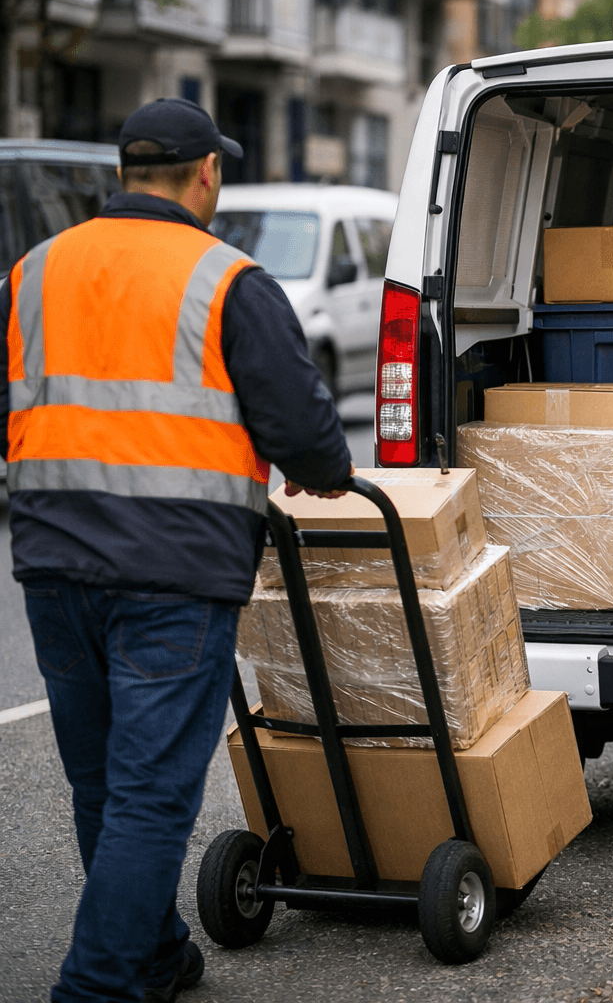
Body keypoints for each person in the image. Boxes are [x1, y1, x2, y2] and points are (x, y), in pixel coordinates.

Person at [1, 98, 352, 1001]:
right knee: (151, 794)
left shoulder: (31, 273)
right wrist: (325, 473)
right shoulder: (226, 278)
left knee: (102, 784)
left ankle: (152, 952)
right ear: (207, 174)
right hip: (174, 572)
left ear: (124, 172)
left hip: (53, 564)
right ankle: (102, 985)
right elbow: (301, 425)